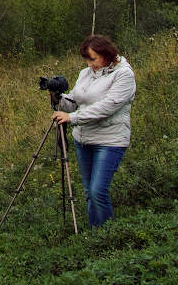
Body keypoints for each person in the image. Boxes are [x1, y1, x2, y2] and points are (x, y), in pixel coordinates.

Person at [52, 34, 135, 227]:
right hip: (83, 140)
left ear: (107, 54)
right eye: (87, 59)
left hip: (109, 140)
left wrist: (72, 118)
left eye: (93, 58)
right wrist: (58, 97)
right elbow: (74, 101)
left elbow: (108, 107)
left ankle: (108, 236)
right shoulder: (86, 73)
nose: (89, 64)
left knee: (98, 191)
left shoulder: (124, 74)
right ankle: (95, 234)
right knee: (89, 192)